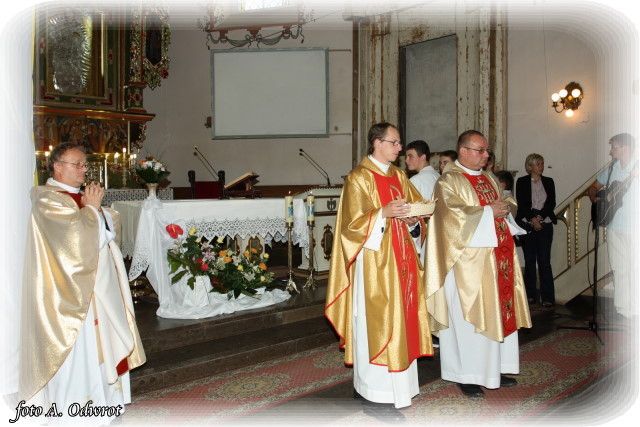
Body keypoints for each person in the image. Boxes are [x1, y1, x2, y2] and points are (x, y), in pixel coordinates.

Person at [19, 143, 146, 423]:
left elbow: (109, 227)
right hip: (70, 297)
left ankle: (104, 404)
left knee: (102, 346)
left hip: (98, 293)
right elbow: (75, 244)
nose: (83, 170)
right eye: (77, 164)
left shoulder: (79, 198)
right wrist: (92, 210)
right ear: (57, 166)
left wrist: (97, 211)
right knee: (81, 351)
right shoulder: (47, 200)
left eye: (85, 165)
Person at [325, 123, 433, 420]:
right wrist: (382, 213)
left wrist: (414, 221)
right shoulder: (359, 178)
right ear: (376, 143)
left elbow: (415, 213)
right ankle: (374, 395)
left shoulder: (399, 176)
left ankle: (398, 390)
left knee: (402, 323)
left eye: (399, 143)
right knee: (377, 325)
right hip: (374, 266)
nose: (399, 148)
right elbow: (350, 227)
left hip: (402, 264)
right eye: (394, 142)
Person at [424, 130, 531, 397]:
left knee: (498, 315)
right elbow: (449, 217)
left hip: (497, 261)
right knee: (467, 323)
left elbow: (506, 202)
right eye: (480, 150)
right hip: (465, 268)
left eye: (486, 151)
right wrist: (487, 212)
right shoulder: (448, 181)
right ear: (463, 151)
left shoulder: (488, 178)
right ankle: (465, 374)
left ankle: (494, 368)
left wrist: (504, 207)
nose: (486, 155)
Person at [587, 133, 638, 318]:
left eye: (614, 147)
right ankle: (622, 309)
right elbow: (593, 187)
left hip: (635, 228)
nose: (611, 151)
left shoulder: (637, 167)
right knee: (619, 268)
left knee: (635, 269)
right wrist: (595, 198)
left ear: (626, 148)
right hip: (614, 227)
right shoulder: (612, 168)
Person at [515, 154, 557, 307]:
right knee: (530, 261)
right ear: (530, 166)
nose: (541, 166)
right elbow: (522, 204)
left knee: (544, 261)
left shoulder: (549, 181)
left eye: (542, 163)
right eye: (538, 164)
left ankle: (547, 297)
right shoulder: (521, 181)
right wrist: (532, 219)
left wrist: (539, 218)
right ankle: (530, 295)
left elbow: (551, 203)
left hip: (545, 223)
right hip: (527, 223)